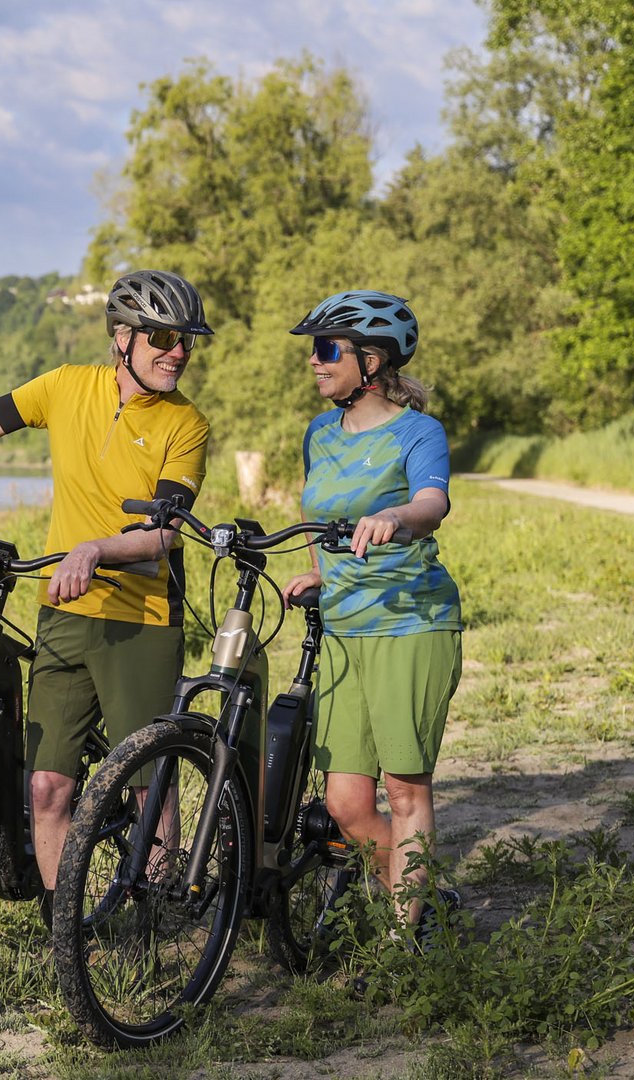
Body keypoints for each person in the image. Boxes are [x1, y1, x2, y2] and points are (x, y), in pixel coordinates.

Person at [0, 270, 212, 909]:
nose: (178, 352)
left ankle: (163, 910)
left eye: (187, 340)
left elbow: (164, 534)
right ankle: (67, 928)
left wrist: (95, 548)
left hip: (141, 614)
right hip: (63, 609)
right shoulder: (64, 387)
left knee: (145, 779)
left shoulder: (185, 424)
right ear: (122, 339)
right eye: (163, 337)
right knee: (48, 787)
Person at [277, 290, 464, 939]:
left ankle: (401, 937)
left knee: (405, 788)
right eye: (314, 350)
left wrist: (394, 517)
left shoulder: (418, 431)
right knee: (346, 803)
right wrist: (319, 572)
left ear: (371, 359)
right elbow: (315, 515)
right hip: (344, 626)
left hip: (409, 619)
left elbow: (432, 503)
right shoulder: (319, 434)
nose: (314, 362)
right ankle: (422, 899)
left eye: (326, 349)